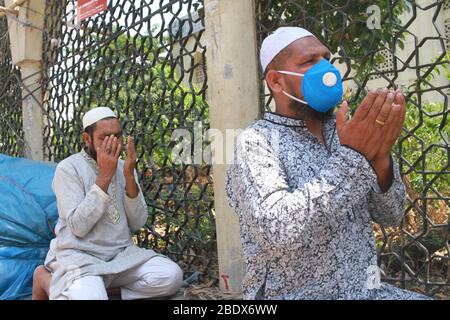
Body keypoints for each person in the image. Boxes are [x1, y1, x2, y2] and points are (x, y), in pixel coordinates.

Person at [226, 27, 429, 300]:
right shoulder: (256, 142)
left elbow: (392, 216)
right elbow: (277, 229)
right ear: (276, 81)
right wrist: (354, 157)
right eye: (309, 61)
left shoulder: (347, 129)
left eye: (326, 58)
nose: (326, 69)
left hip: (365, 292)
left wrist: (380, 159)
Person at [32, 107, 183, 300]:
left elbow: (137, 222)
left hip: (121, 255)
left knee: (170, 276)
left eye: (117, 136)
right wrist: (104, 176)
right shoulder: (68, 169)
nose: (113, 143)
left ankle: (98, 290)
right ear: (87, 139)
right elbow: (78, 227)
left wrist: (129, 177)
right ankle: (45, 279)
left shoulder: (124, 167)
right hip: (81, 257)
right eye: (105, 137)